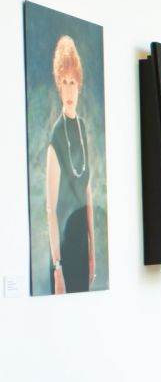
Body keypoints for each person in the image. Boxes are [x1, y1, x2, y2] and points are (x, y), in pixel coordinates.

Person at [44, 35, 95, 294]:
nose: (68, 91)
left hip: (80, 248)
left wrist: (92, 253)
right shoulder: (56, 135)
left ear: (79, 84)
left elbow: (87, 192)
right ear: (58, 85)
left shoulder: (82, 127)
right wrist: (57, 268)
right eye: (63, 82)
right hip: (63, 253)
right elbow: (50, 208)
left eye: (72, 82)